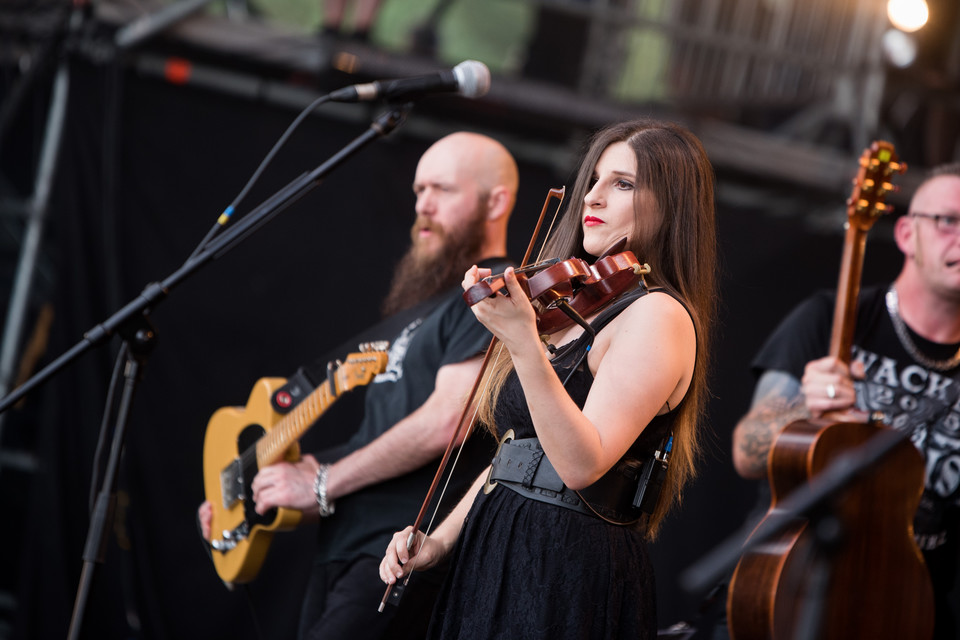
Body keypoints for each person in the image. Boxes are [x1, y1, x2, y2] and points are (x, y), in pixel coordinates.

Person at [380, 119, 718, 639]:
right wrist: (440, 542)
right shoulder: (576, 306)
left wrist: (522, 342)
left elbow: (581, 463)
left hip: (566, 560)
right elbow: (517, 454)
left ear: (670, 204)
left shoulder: (658, 316)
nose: (594, 196)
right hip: (496, 540)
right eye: (595, 179)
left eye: (622, 184)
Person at [199, 131, 519, 639]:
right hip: (346, 546)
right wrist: (272, 485)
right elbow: (378, 440)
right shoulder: (423, 313)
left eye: (441, 190)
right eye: (418, 191)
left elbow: (446, 424)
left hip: (399, 554)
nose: (423, 206)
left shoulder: (495, 292)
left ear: (495, 200)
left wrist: (322, 483)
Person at [731, 163, 960, 639]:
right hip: (797, 590)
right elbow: (747, 453)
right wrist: (803, 411)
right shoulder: (830, 319)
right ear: (904, 232)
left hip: (912, 608)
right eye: (948, 220)